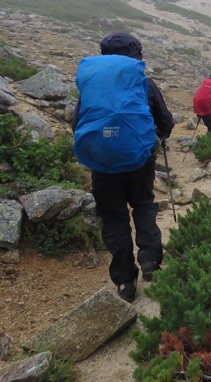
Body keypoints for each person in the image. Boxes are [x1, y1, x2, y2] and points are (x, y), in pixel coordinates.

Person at [72, 33, 174, 302]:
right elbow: (165, 120)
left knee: (114, 217)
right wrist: (157, 140)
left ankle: (124, 281)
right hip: (140, 160)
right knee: (143, 205)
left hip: (103, 165)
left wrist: (104, 143)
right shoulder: (144, 83)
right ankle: (151, 261)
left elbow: (77, 124)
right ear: (137, 54)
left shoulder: (92, 87)